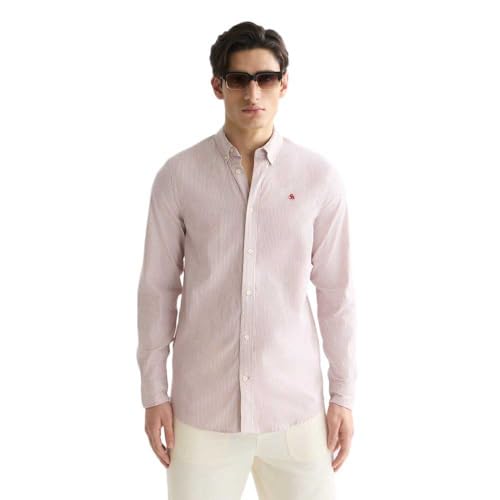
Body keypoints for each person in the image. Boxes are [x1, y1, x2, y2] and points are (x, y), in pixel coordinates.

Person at [136, 20, 357, 500]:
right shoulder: (178, 177)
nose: (252, 92)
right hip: (202, 416)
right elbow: (157, 290)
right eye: (238, 79)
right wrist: (154, 393)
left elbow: (336, 294)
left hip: (296, 415)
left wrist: (343, 395)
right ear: (218, 86)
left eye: (265, 78)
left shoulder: (318, 178)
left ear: (284, 84)